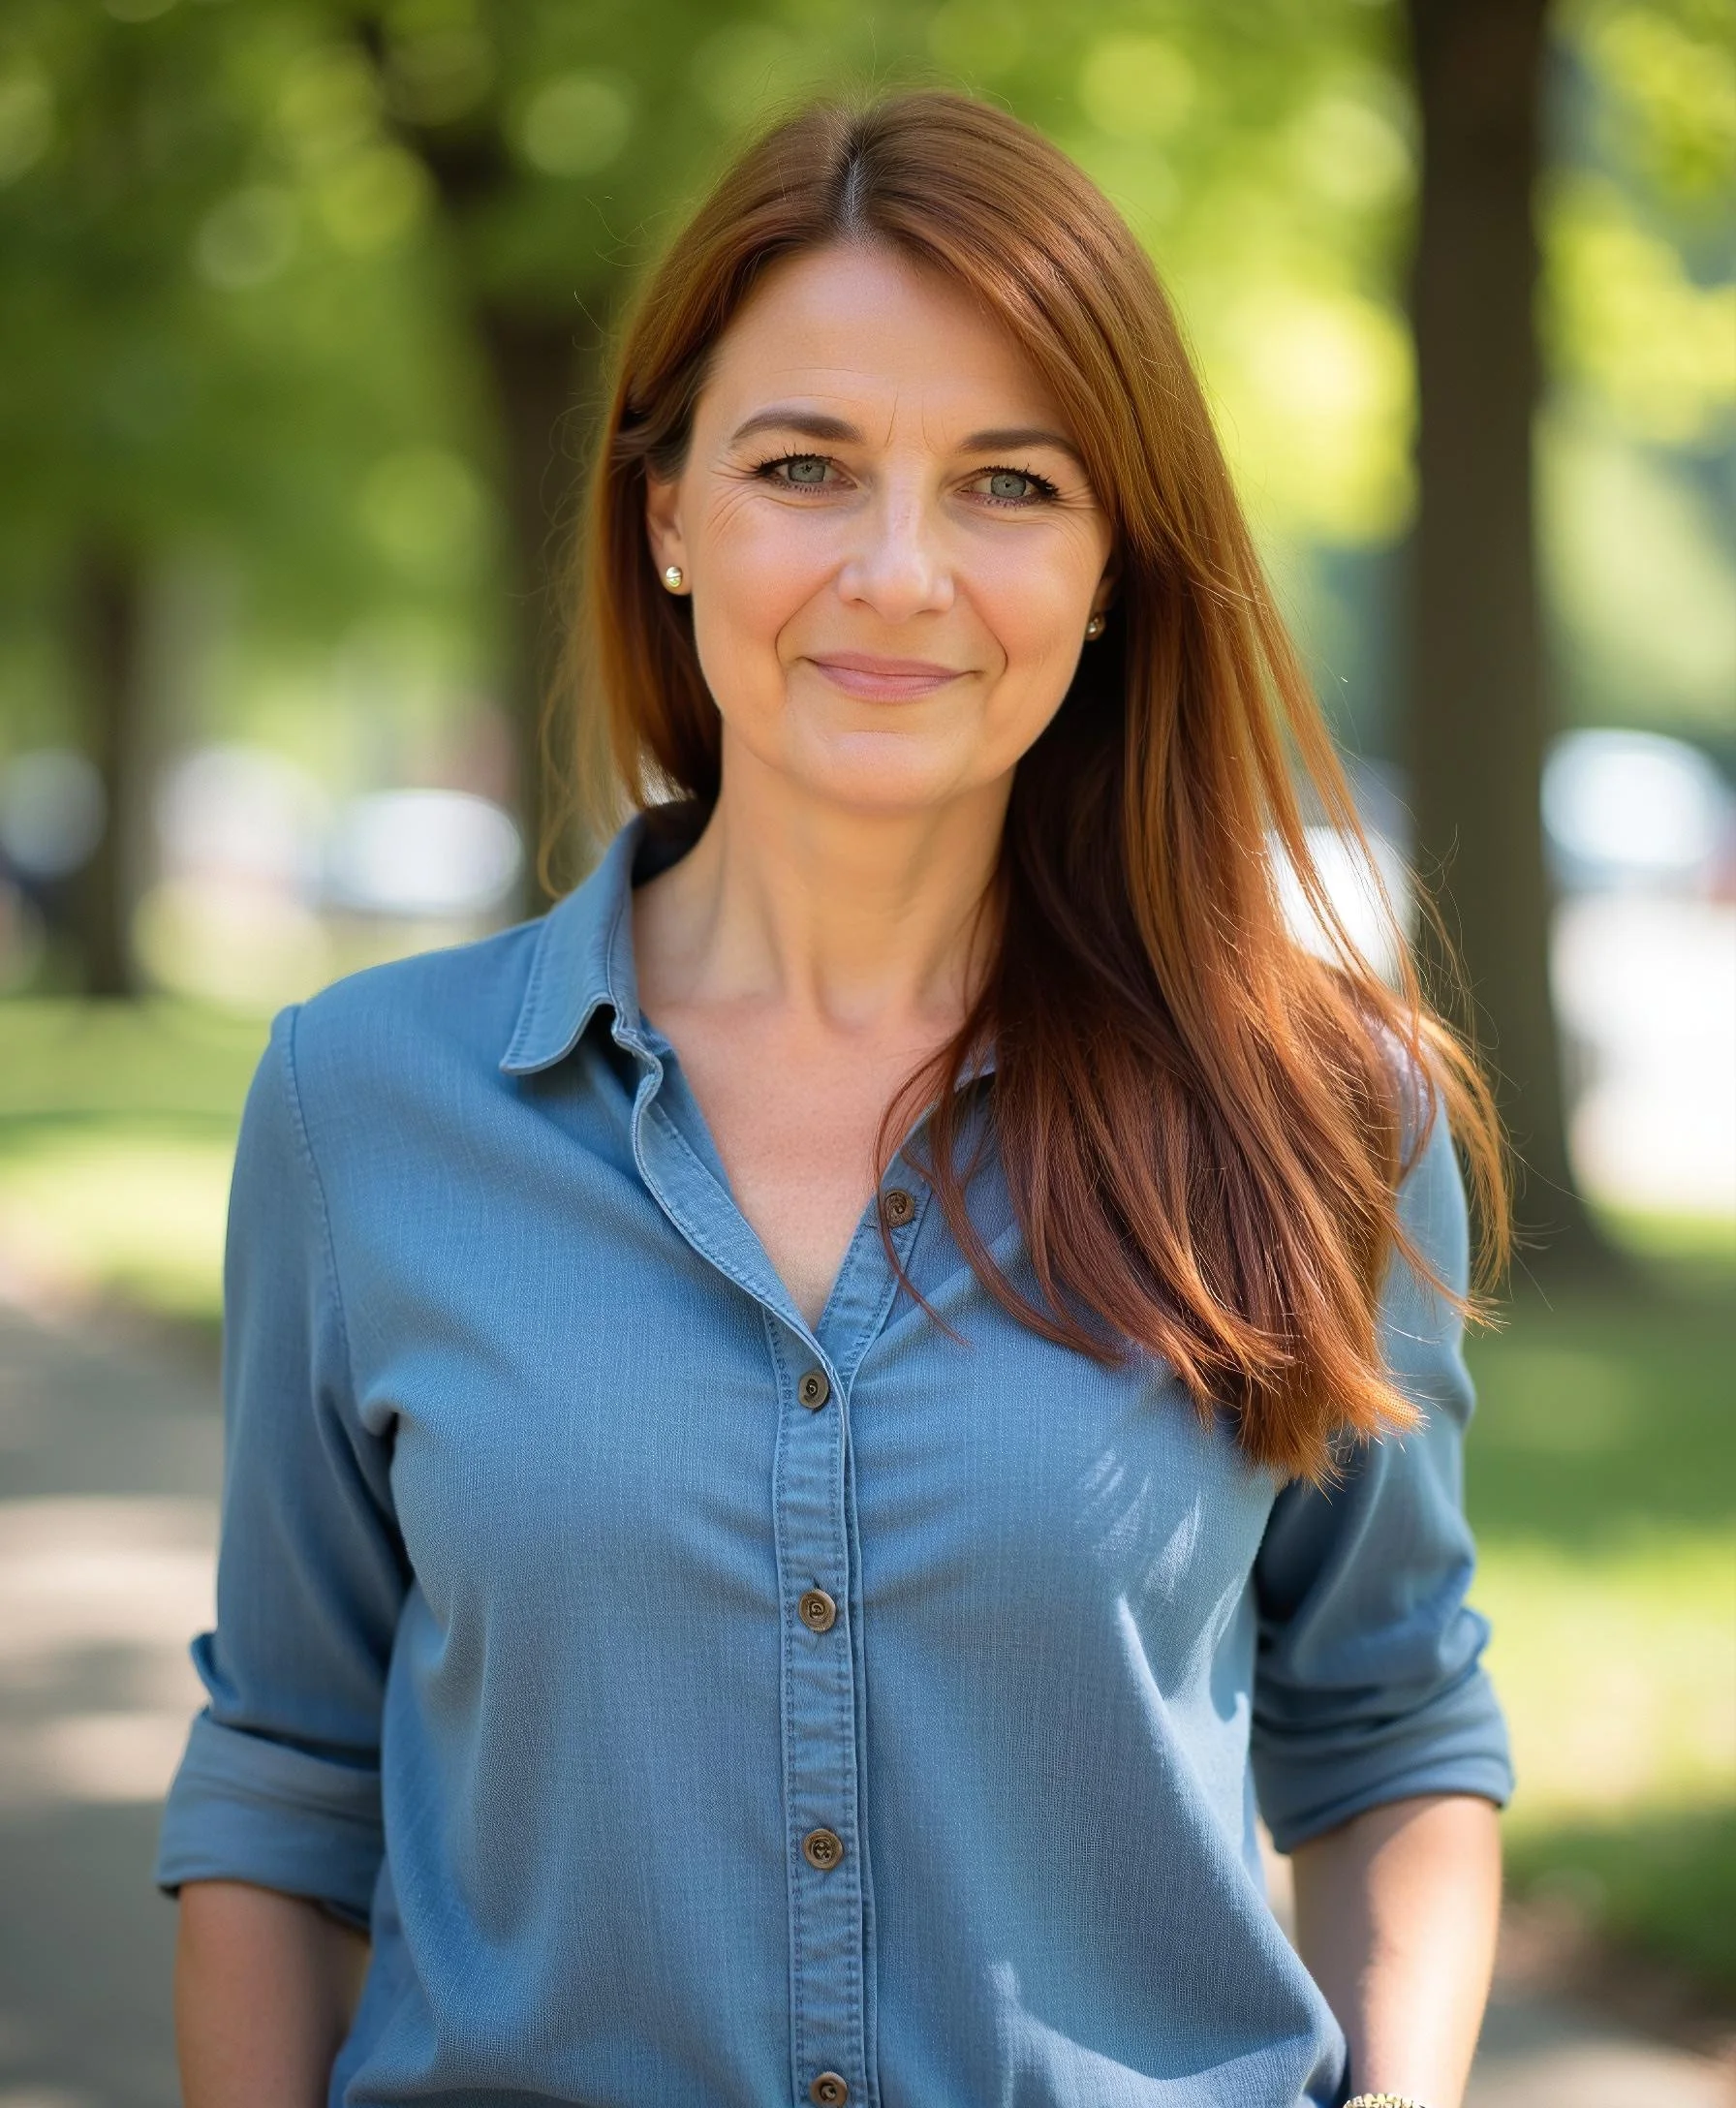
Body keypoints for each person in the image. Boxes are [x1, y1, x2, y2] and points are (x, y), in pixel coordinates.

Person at [157, 90, 1513, 2108]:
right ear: (667, 515)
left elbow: (1393, 1726)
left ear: (1114, 564)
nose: (898, 572)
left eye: (1008, 484)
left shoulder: (1321, 1113)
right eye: (804, 467)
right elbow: (285, 1771)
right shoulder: (361, 1106)